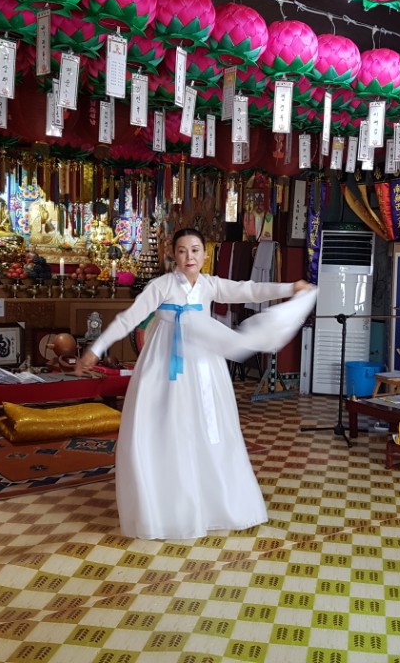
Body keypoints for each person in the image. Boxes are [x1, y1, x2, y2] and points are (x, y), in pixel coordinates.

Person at [74, 228, 316, 540]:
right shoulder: (161, 286)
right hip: (164, 366)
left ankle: (213, 505)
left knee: (206, 427)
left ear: (204, 254)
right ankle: (166, 509)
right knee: (163, 427)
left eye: (195, 250)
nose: (189, 256)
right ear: (173, 255)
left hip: (203, 364)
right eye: (182, 250)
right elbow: (128, 319)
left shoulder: (209, 285)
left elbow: (250, 290)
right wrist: (95, 349)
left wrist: (290, 287)